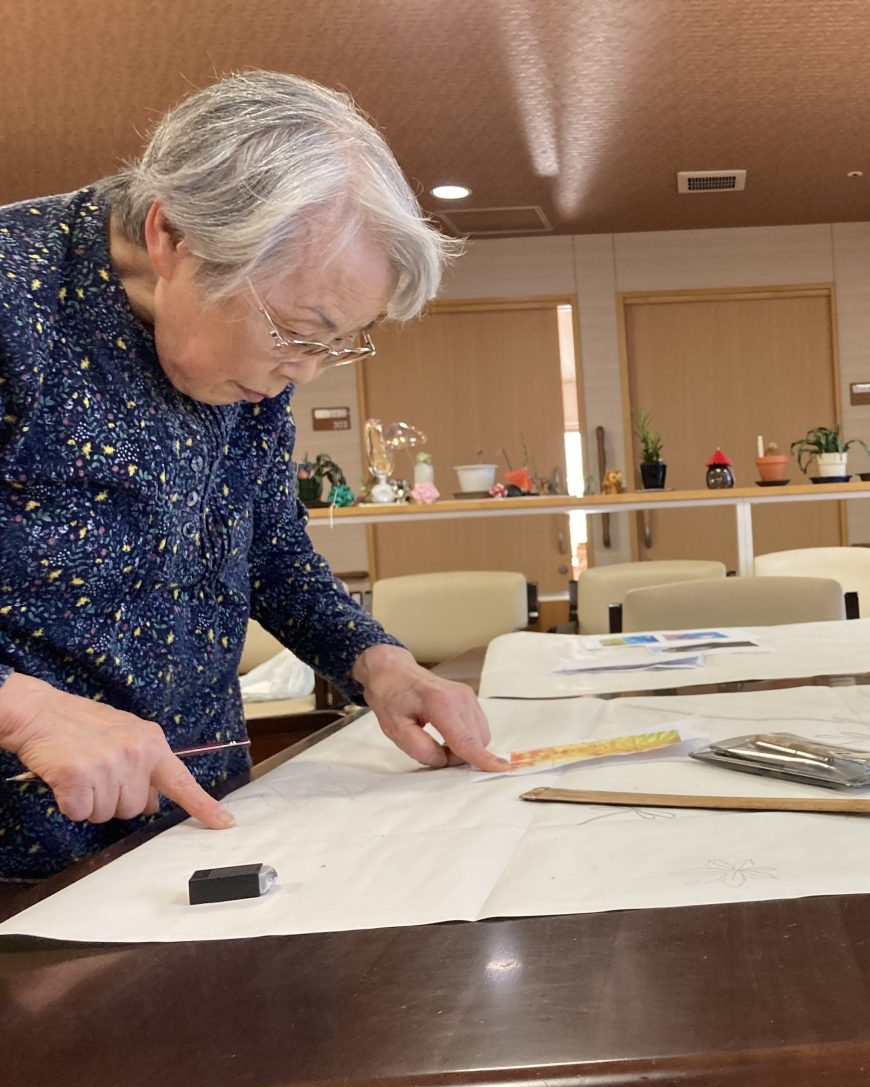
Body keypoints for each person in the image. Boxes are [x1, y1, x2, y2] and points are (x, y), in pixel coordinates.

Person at [0, 71, 508, 883]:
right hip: (23, 866)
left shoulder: (254, 371)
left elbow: (268, 546)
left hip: (205, 829)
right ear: (173, 238)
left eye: (336, 343)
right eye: (299, 333)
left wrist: (375, 660)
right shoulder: (16, 293)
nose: (303, 372)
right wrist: (22, 711)